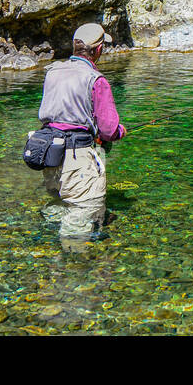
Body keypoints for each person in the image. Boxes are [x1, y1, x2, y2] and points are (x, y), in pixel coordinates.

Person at [37, 23, 126, 242]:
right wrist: (120, 131)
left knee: (58, 206)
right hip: (78, 158)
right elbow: (108, 130)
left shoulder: (53, 72)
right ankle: (75, 265)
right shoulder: (96, 80)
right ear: (97, 50)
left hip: (49, 153)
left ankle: (50, 259)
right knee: (83, 211)